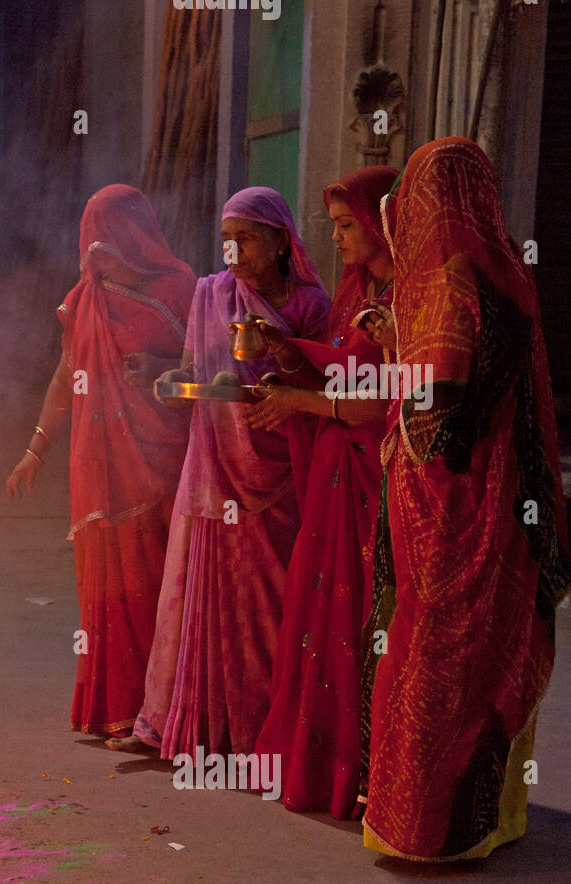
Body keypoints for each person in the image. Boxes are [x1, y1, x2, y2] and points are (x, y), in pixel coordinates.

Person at [359, 139, 570, 860]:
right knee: (483, 657)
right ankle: (492, 819)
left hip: (451, 511)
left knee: (435, 661)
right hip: (505, 503)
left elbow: (437, 410)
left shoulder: (447, 279)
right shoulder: (505, 268)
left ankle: (428, 830)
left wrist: (398, 357)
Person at [107, 187, 331, 759]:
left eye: (248, 239)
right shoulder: (209, 294)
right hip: (212, 470)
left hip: (276, 472)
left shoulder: (310, 305)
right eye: (226, 241)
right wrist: (172, 386)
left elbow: (318, 388)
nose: (233, 253)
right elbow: (190, 373)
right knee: (193, 599)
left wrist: (280, 353)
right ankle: (189, 726)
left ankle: (261, 732)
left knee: (268, 606)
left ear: (282, 241)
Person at [6, 185, 195, 737]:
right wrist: (34, 450)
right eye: (89, 245)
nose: (95, 255)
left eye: (105, 241)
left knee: (162, 586)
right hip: (98, 467)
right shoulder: (85, 297)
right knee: (106, 589)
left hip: (163, 462)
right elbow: (66, 379)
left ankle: (164, 712)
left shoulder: (182, 287)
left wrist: (163, 364)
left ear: (136, 236)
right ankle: (114, 707)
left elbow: (207, 365)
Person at [241, 166, 398, 819]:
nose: (335, 238)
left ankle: (360, 774)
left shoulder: (407, 297)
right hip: (335, 472)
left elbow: (377, 402)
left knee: (359, 621)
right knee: (317, 612)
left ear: (381, 222)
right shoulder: (356, 289)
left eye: (345, 225)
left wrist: (297, 399)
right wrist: (284, 351)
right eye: (330, 227)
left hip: (372, 475)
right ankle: (313, 761)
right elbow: (338, 366)